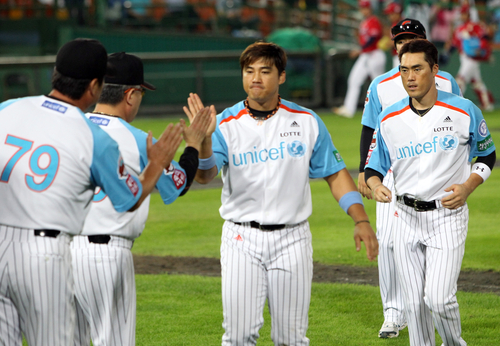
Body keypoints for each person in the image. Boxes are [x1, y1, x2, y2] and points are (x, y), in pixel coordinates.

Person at [183, 41, 379, 345]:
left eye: (264, 71)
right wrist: (205, 142)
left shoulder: (306, 121)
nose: (255, 78)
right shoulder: (224, 123)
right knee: (238, 336)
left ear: (282, 76)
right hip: (240, 239)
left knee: (291, 338)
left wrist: (361, 219)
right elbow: (206, 175)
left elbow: (335, 173)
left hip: (293, 239)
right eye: (249, 71)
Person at [0, 38, 183, 345]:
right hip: (43, 256)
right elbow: (129, 199)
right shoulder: (94, 137)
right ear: (95, 87)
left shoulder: (8, 108)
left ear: (54, 74)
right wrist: (156, 165)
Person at [71, 52, 211, 346]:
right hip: (105, 256)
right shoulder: (135, 139)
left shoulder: (69, 128)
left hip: (59, 252)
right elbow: (180, 183)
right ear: (131, 95)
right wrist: (193, 146)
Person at [365, 38, 496, 346]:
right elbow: (373, 167)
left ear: (435, 70)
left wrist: (467, 186)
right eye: (404, 70)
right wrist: (375, 185)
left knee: (438, 298)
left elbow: (487, 155)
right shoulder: (389, 118)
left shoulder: (464, 111)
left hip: (446, 216)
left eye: (418, 69)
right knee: (413, 305)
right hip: (404, 217)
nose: (409, 77)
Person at [358, 18, 462, 339]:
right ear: (394, 45)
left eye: (412, 37)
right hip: (391, 170)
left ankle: (432, 302)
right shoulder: (381, 84)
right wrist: (365, 169)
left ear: (425, 43)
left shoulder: (446, 82)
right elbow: (369, 128)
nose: (405, 43)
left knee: (429, 246)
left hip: (433, 171)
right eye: (401, 39)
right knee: (388, 242)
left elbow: (459, 122)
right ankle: (393, 312)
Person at [332, 0, 385, 118]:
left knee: (379, 84)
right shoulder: (364, 22)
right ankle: (348, 109)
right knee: (354, 80)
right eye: (362, 8)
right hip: (365, 55)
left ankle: (385, 108)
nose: (363, 10)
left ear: (370, 9)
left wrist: (360, 49)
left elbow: (373, 38)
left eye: (365, 8)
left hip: (374, 54)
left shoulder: (373, 21)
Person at [442, 3, 494, 111]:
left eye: (465, 13)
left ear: (469, 14)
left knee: (460, 80)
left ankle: (456, 104)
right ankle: (487, 104)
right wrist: (447, 53)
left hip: (472, 58)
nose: (463, 16)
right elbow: (454, 44)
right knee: (477, 82)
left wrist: (482, 49)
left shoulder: (476, 26)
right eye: (462, 14)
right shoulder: (459, 28)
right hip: (463, 57)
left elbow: (484, 38)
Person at [383, 2, 404, 68]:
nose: (389, 17)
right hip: (396, 56)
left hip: (403, 56)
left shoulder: (403, 24)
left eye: (391, 14)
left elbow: (403, 41)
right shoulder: (394, 24)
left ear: (397, 13)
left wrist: (390, 43)